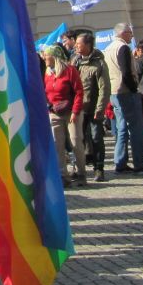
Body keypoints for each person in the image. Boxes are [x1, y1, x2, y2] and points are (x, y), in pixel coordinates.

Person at [106, 23, 143, 173]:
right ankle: (140, 163)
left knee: (121, 127)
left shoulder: (108, 48)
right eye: (130, 33)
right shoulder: (123, 47)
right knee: (136, 128)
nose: (131, 35)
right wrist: (134, 88)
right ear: (123, 33)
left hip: (114, 91)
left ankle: (120, 162)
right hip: (125, 91)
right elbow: (126, 72)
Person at [42, 45, 84, 186]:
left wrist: (75, 111)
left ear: (54, 56)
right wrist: (48, 106)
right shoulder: (47, 73)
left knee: (75, 142)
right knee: (57, 144)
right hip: (54, 113)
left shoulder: (70, 71)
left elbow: (79, 91)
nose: (44, 58)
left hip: (71, 112)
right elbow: (45, 92)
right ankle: (62, 175)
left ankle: (81, 174)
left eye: (46, 55)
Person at [73, 32, 110, 182]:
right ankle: (78, 169)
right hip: (78, 108)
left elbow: (104, 88)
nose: (76, 46)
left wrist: (100, 109)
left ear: (88, 45)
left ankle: (99, 169)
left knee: (96, 138)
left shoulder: (99, 63)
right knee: (77, 139)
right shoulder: (75, 62)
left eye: (78, 44)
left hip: (94, 108)